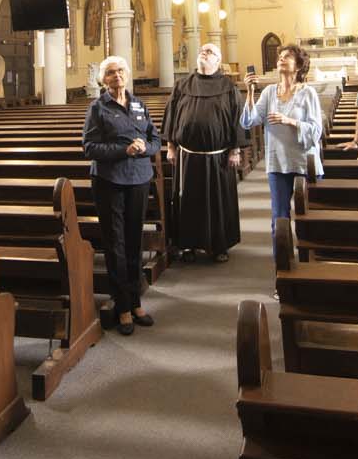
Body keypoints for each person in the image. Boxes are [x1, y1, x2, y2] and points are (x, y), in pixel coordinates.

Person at [81, 55, 157, 335]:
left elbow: (155, 139)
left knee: (134, 241)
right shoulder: (98, 108)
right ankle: (122, 306)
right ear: (104, 79)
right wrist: (122, 151)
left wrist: (145, 148)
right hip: (110, 181)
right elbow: (89, 147)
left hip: (138, 179)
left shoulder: (138, 104)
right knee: (116, 244)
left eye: (121, 71)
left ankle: (137, 302)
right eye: (111, 73)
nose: (117, 76)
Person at [163, 41, 244, 261]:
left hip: (218, 156)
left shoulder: (229, 87)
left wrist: (235, 150)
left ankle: (219, 246)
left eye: (210, 52)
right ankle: (188, 245)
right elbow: (171, 117)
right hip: (188, 156)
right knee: (189, 201)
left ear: (218, 60)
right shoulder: (182, 85)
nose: (204, 53)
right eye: (202, 51)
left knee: (218, 201)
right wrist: (170, 147)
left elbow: (237, 119)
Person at [242, 44, 324, 235]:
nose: (281, 58)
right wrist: (250, 92)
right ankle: (283, 261)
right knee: (279, 218)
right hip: (277, 163)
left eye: (287, 56)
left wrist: (290, 121)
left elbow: (315, 132)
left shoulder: (307, 93)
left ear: (298, 65)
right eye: (280, 55)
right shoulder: (270, 92)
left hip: (304, 163)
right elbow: (249, 121)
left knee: (309, 217)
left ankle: (309, 258)